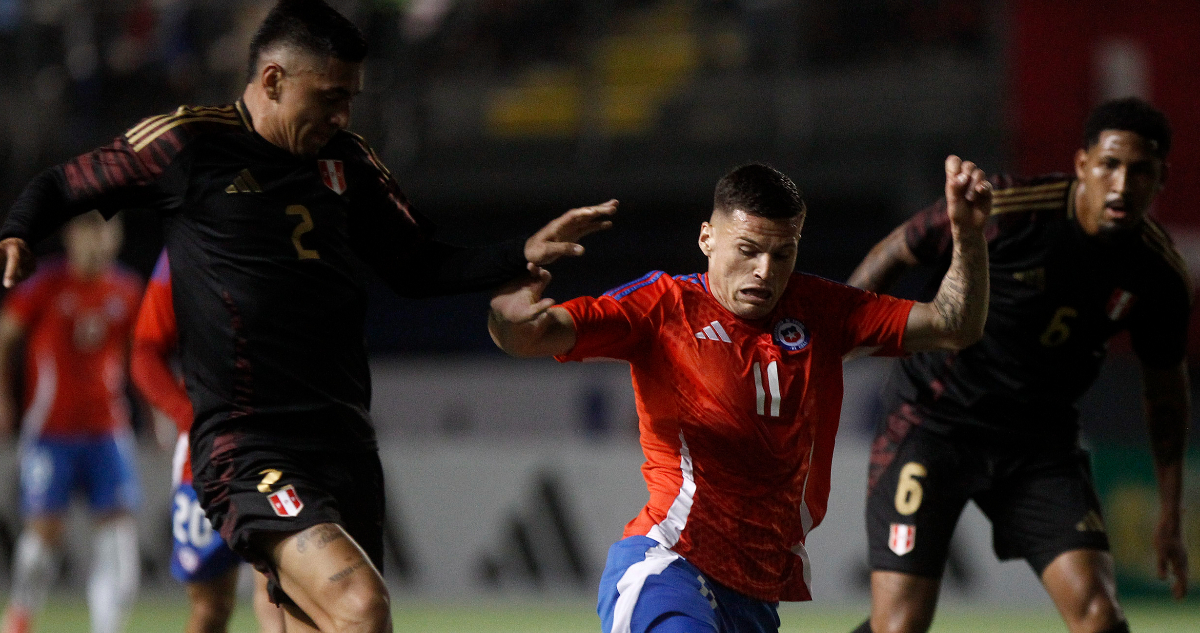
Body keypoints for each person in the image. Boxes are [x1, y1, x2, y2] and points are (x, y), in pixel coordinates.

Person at [0, 1, 614, 631]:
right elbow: (70, 182)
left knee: (316, 623)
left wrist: (519, 253)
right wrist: (19, 230)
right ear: (272, 80)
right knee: (360, 608)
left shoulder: (347, 161)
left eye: (351, 96)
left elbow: (417, 265)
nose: (343, 114)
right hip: (248, 444)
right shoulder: (191, 142)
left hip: (343, 441)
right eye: (329, 96)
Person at [488, 159, 993, 633]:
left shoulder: (824, 310)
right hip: (669, 565)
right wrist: (508, 292)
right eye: (748, 250)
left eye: (783, 253)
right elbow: (528, 335)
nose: (765, 271)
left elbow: (953, 325)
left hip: (756, 593)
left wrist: (969, 236)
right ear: (708, 239)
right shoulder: (664, 308)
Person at [845, 97, 1190, 633]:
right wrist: (824, 345)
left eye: (1140, 170)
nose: (1122, 184)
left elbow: (1166, 392)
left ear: (1161, 178)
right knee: (900, 627)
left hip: (1039, 446)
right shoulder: (1009, 209)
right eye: (1109, 165)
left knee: (1100, 617)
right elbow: (896, 251)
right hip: (935, 423)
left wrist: (1170, 512)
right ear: (1082, 165)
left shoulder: (1159, 274)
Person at [0, 212, 143, 633]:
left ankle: (107, 628)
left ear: (117, 236)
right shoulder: (44, 284)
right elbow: (5, 337)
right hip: (50, 431)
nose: (96, 240)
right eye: (87, 229)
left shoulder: (128, 289)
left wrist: (156, 411)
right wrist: (4, 398)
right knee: (43, 535)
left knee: (118, 537)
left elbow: (142, 357)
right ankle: (21, 617)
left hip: (108, 430)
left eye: (104, 229)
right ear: (70, 235)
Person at [131, 250, 283, 633]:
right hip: (206, 453)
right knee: (211, 605)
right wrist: (190, 418)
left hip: (280, 442)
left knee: (279, 596)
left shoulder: (288, 227)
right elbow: (145, 353)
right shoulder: (183, 249)